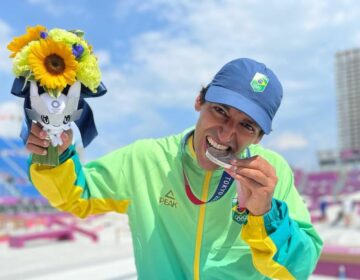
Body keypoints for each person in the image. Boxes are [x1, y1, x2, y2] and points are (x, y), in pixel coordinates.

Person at [26, 58, 323, 280]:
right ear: (199, 101)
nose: (225, 134)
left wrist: (266, 213)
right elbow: (78, 195)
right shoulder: (144, 159)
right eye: (220, 111)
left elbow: (298, 270)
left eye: (246, 125)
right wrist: (54, 153)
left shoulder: (272, 175)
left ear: (259, 138)